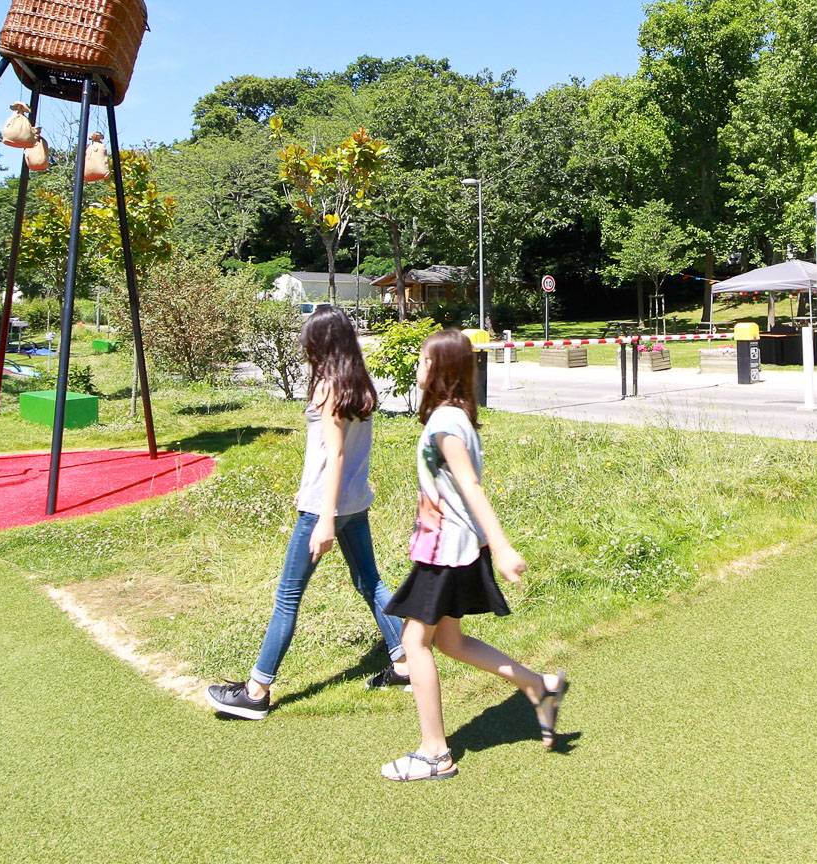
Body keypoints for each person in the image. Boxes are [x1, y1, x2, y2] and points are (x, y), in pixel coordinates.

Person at [379, 329, 567, 781]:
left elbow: (472, 489)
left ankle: (434, 753)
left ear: (442, 371)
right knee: (449, 642)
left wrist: (502, 546)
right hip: (452, 547)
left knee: (413, 643)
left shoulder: (446, 424)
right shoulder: (457, 416)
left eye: (424, 361)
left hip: (446, 551)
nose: (418, 368)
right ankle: (538, 686)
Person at [207, 308, 409, 720]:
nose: (304, 346)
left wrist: (325, 521)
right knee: (369, 581)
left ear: (321, 344)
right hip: (355, 503)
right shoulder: (359, 384)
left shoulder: (328, 388)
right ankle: (407, 662)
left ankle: (256, 691)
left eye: (309, 340)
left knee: (287, 598)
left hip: (324, 507)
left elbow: (334, 455)